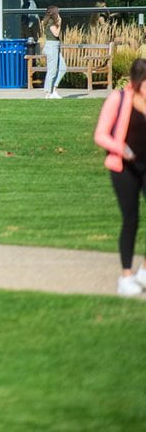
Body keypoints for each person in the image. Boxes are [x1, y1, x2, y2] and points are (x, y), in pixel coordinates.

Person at [94, 58, 146, 296]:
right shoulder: (119, 98)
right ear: (138, 81)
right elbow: (100, 135)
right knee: (131, 219)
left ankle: (144, 271)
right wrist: (121, 148)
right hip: (123, 168)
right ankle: (126, 276)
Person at [42, 5, 66, 99]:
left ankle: (54, 89)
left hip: (55, 46)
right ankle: (48, 93)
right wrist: (59, 23)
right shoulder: (51, 22)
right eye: (58, 12)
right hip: (51, 46)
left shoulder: (52, 22)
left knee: (63, 68)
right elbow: (56, 33)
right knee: (52, 71)